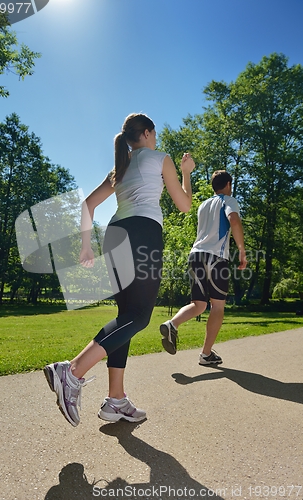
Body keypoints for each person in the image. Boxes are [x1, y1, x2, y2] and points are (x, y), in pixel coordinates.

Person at [44, 113, 196, 427]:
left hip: (114, 236)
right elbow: (184, 205)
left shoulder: (121, 167)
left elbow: (88, 204)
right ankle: (71, 371)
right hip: (142, 233)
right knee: (139, 317)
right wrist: (186, 173)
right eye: (154, 134)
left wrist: (86, 245)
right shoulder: (160, 158)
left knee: (125, 319)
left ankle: (116, 400)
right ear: (149, 133)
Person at [159, 170, 247, 365]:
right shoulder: (229, 201)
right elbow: (233, 220)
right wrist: (241, 250)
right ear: (229, 185)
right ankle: (206, 354)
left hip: (195, 255)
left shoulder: (203, 205)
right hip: (215, 258)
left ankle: (172, 324)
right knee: (218, 305)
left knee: (199, 305)